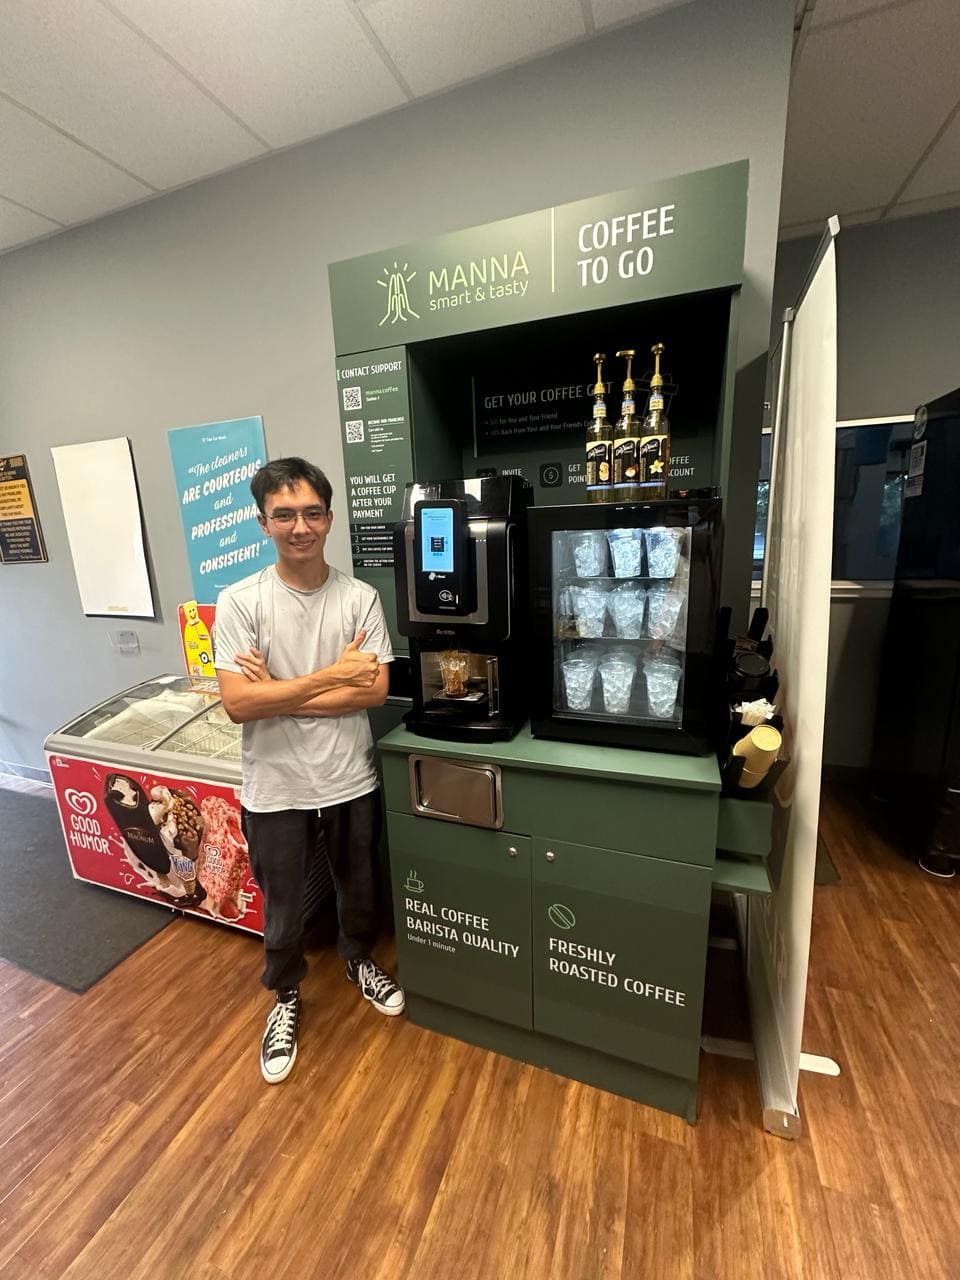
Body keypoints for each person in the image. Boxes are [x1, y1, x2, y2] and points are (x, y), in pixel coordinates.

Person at [214, 457, 404, 1085]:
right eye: (285, 515)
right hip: (276, 784)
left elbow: (373, 691)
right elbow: (239, 705)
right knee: (284, 903)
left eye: (313, 513)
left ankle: (358, 959)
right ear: (263, 521)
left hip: (349, 774)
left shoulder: (360, 598)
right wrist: (331, 676)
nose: (301, 527)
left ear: (329, 517)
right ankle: (286, 994)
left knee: (358, 883)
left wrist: (279, 689)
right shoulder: (240, 601)